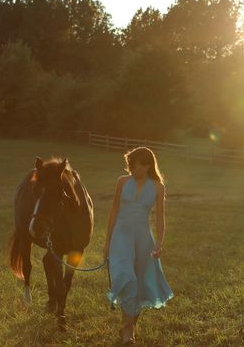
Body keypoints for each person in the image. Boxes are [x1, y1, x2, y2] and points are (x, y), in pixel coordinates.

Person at [104, 146, 174, 345]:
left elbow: (160, 218)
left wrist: (159, 243)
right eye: (132, 166)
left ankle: (130, 323)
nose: (136, 170)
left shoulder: (158, 187)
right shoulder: (122, 182)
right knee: (127, 278)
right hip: (121, 236)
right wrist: (107, 242)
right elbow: (114, 211)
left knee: (141, 284)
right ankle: (128, 331)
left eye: (140, 166)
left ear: (148, 165)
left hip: (143, 239)